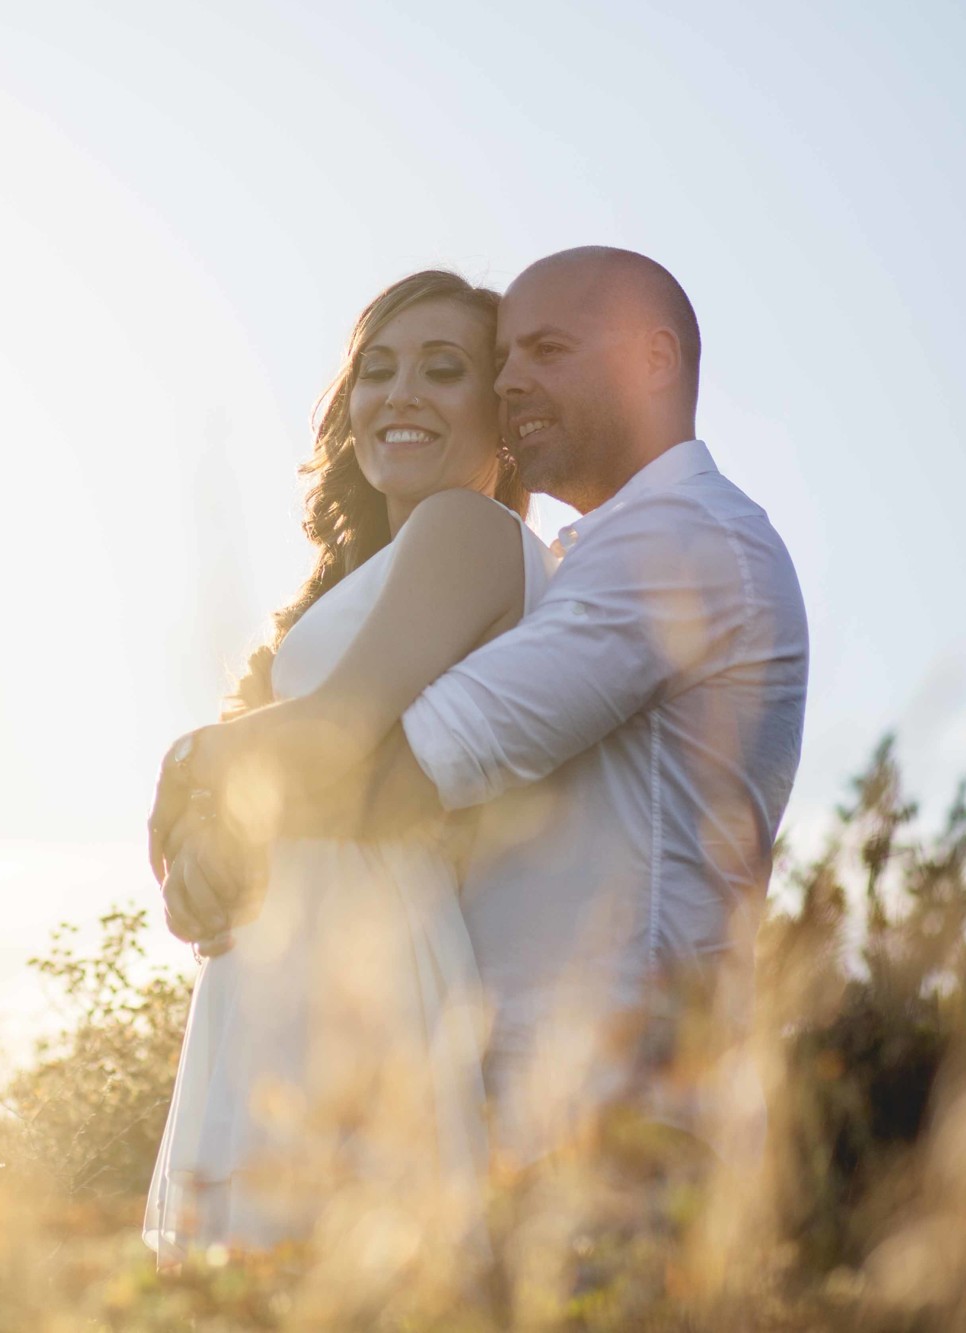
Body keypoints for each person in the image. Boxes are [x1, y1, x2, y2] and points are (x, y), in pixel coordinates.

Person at [154, 246, 810, 1192]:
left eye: (543, 352)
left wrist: (198, 780)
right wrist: (216, 835)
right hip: (521, 1102)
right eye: (504, 363)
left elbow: (394, 779)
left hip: (619, 1108)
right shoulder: (579, 558)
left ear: (653, 361)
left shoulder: (678, 545)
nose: (513, 384)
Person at [142, 270, 557, 1265]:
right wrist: (198, 849)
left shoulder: (471, 527)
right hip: (287, 939)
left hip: (356, 945)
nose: (398, 394)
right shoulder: (382, 565)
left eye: (441, 370)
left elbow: (337, 730)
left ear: (499, 415)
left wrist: (184, 758)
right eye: (375, 371)